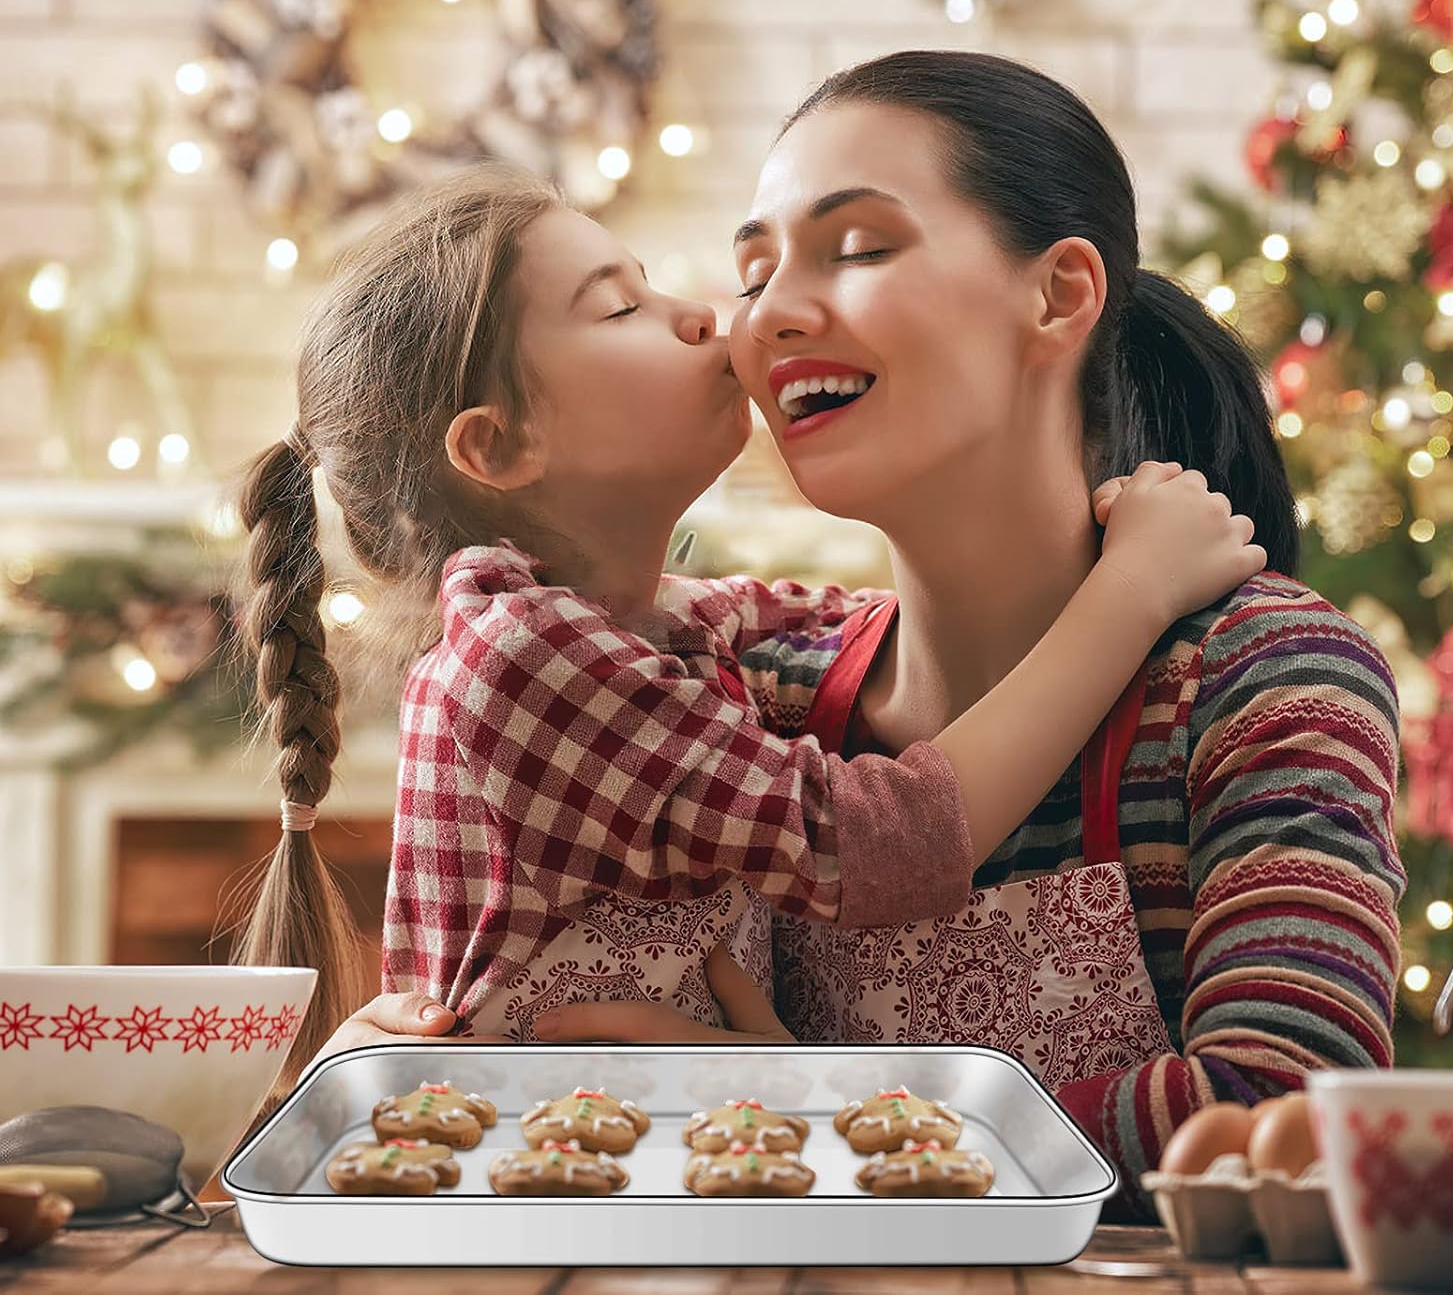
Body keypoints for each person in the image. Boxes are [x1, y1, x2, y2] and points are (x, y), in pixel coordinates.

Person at [531, 51, 1407, 1220]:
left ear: (1057, 296)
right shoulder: (756, 691)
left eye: (859, 249)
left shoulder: (1257, 678)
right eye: (755, 269)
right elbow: (592, 1041)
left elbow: (1277, 1121)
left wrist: (817, 1115)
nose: (772, 312)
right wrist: (420, 1033)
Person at [225, 161, 1263, 1106]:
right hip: (533, 1192)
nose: (713, 319)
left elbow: (816, 610)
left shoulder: (664, 624)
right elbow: (881, 841)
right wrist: (1127, 593)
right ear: (500, 445)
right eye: (623, 307)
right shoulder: (520, 658)